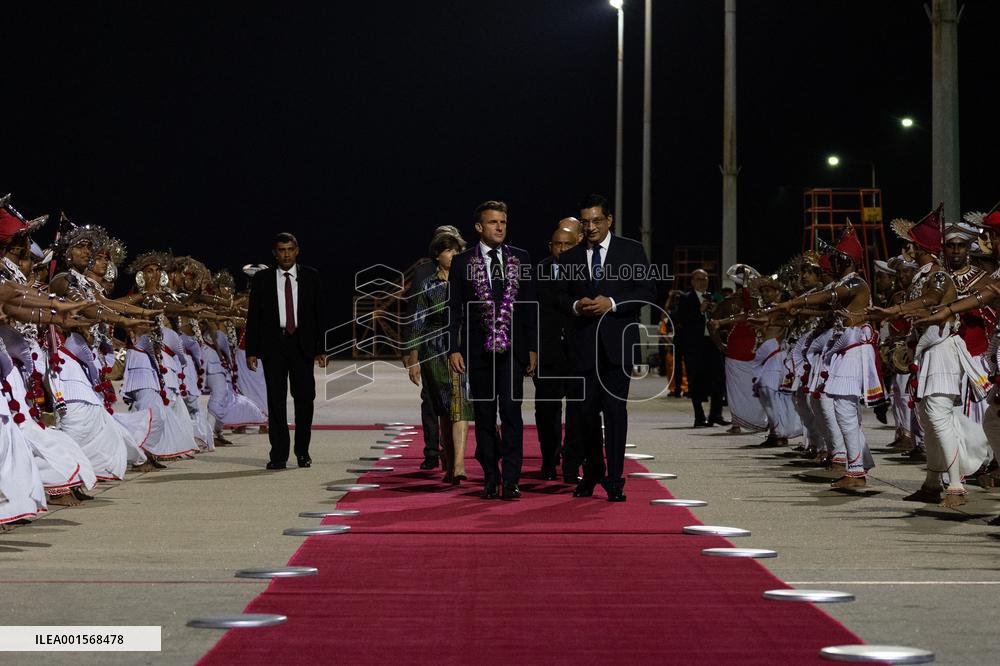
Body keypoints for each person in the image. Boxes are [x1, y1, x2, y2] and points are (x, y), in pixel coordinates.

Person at [556, 194, 655, 502]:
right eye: (585, 222)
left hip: (617, 348)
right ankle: (594, 470)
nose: (591, 227)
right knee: (583, 416)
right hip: (583, 349)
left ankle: (615, 479)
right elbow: (558, 298)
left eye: (596, 221)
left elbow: (648, 291)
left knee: (614, 414)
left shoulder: (631, 250)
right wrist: (575, 305)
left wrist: (611, 303)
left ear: (609, 220)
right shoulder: (571, 258)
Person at [447, 201, 536, 500]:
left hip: (512, 351)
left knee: (511, 413)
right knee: (484, 416)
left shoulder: (520, 258)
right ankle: (490, 476)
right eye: (493, 222)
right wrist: (453, 349)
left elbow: (528, 310)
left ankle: (511, 480)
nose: (499, 227)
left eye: (503, 222)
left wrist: (533, 349)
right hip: (477, 352)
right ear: (479, 227)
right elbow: (454, 310)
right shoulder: (462, 262)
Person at [245, 232, 327, 470]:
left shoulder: (311, 277)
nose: (286, 254)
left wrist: (321, 349)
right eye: (281, 250)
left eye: (290, 249)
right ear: (275, 253)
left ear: (297, 250)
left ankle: (302, 452)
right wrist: (252, 350)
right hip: (274, 346)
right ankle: (279, 454)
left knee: (304, 399)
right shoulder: (262, 279)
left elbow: (319, 315)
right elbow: (254, 317)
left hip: (302, 346)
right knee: (276, 401)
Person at [408, 233, 473, 484]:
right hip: (434, 353)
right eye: (448, 252)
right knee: (445, 410)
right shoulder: (429, 285)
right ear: (438, 255)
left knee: (462, 406)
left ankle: (459, 464)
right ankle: (449, 461)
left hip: (462, 350)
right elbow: (418, 323)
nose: (453, 256)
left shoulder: (467, 283)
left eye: (457, 252)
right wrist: (413, 359)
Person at [534, 226, 581, 481]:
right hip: (547, 352)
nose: (562, 249)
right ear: (550, 246)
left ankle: (572, 465)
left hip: (577, 353)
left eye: (568, 244)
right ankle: (549, 462)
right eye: (557, 244)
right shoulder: (538, 271)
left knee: (578, 411)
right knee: (547, 411)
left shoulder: (587, 269)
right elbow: (530, 312)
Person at [674, 269, 728, 427]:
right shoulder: (685, 298)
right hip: (695, 345)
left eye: (704, 279)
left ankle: (715, 414)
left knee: (719, 378)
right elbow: (680, 319)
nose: (702, 282)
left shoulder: (713, 296)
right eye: (698, 279)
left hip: (712, 342)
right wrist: (700, 311)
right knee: (696, 381)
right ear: (692, 281)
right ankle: (699, 417)